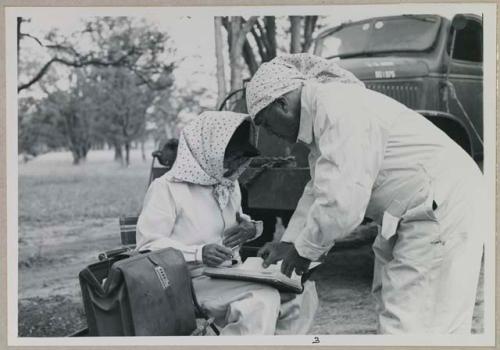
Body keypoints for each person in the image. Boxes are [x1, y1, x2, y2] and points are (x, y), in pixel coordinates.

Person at [246, 53, 485, 334]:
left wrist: (304, 252)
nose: (270, 134)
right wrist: (289, 241)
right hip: (415, 211)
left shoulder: (338, 108)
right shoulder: (325, 114)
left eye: (266, 123)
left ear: (281, 104)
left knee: (415, 319)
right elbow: (320, 187)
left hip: (441, 207)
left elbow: (342, 203)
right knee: (403, 309)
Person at [135, 111, 318, 335]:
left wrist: (251, 229)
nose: (234, 166)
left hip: (232, 273)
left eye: (241, 158)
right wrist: (199, 253)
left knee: (301, 293)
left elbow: (237, 225)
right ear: (206, 151)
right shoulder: (167, 188)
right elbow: (146, 247)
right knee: (259, 300)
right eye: (229, 158)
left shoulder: (228, 184)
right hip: (190, 282)